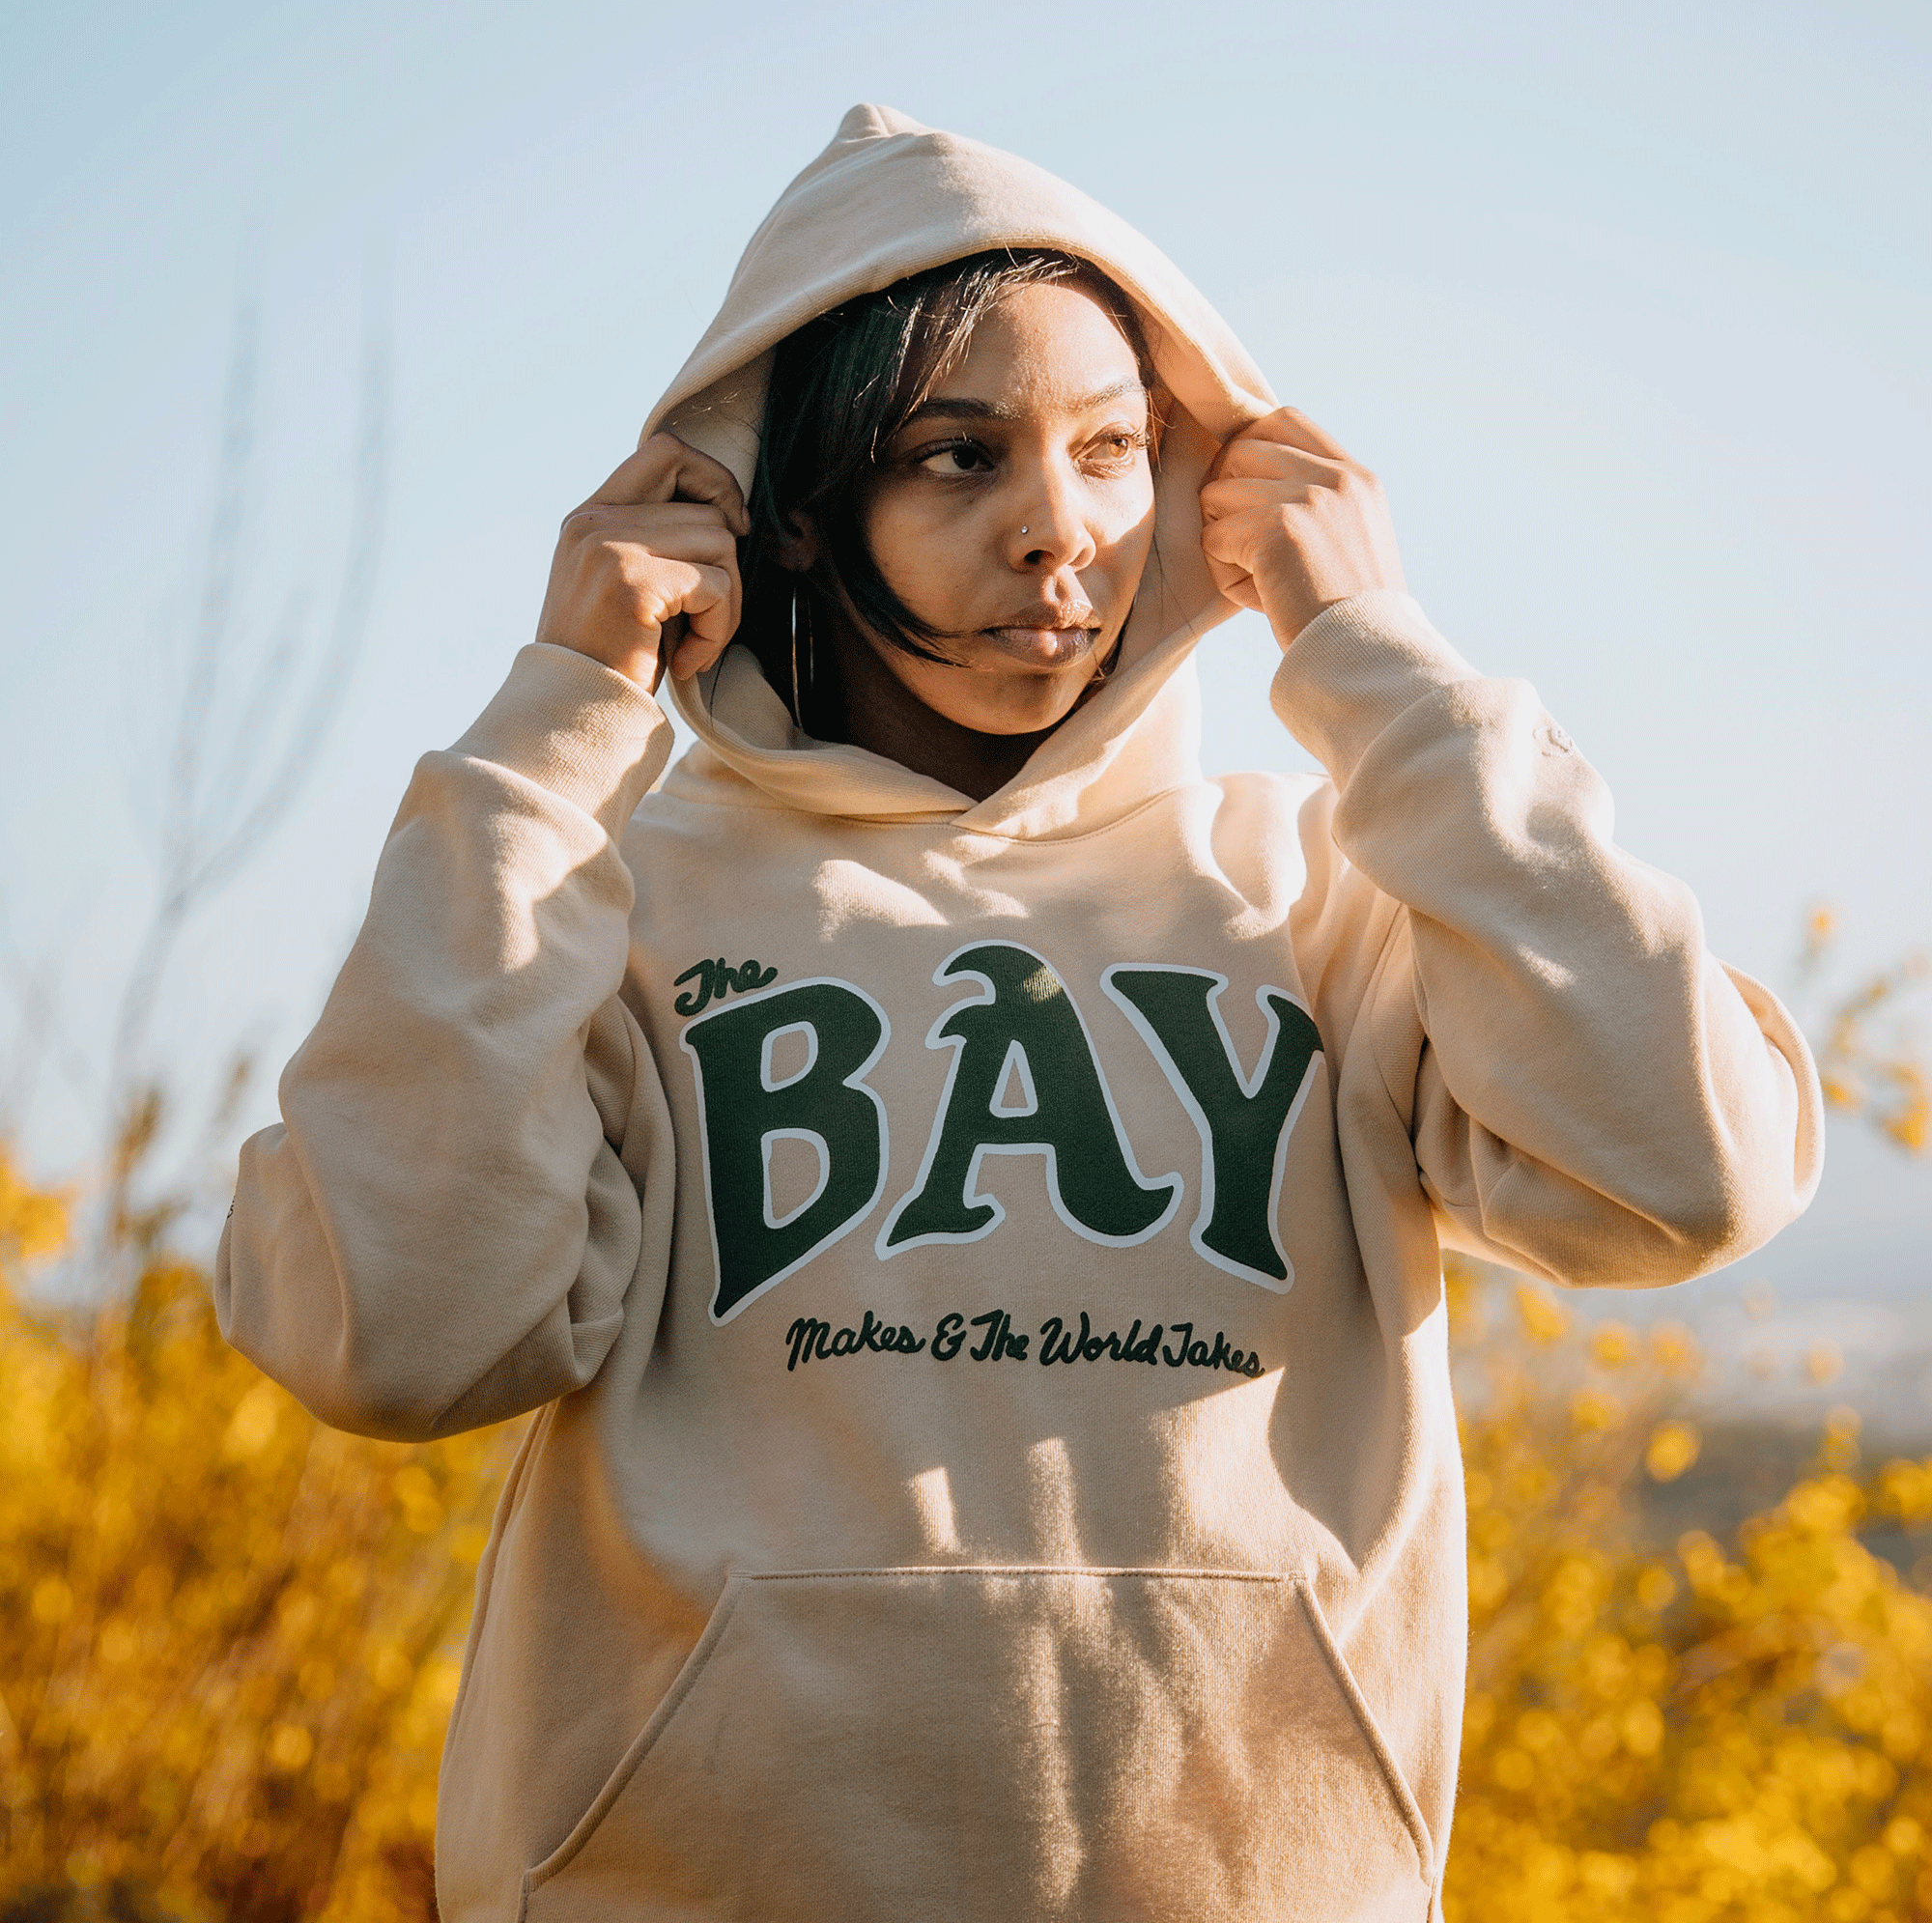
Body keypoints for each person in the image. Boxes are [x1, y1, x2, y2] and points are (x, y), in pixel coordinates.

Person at [215, 104, 1824, 1922]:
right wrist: (552, 733)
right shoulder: (611, 905)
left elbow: (1686, 1174)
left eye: (1115, 448)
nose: (1058, 532)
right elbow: (400, 1333)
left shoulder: (1332, 884)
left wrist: (1382, 661)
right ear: (797, 517)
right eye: (957, 457)